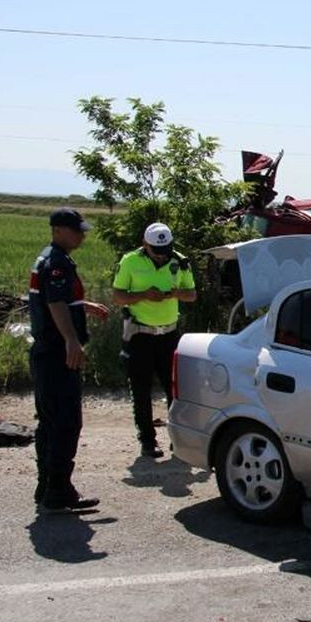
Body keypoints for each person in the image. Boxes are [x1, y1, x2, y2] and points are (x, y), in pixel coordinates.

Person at [29, 207, 110, 510]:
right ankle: (59, 491)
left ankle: (47, 486)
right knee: (65, 423)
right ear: (59, 230)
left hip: (46, 353)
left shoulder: (50, 258)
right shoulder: (57, 262)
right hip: (55, 354)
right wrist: (72, 340)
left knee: (49, 422)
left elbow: (58, 300)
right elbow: (55, 302)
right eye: (77, 230)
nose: (81, 236)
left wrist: (83, 306)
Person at [111, 222, 196, 458]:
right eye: (156, 252)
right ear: (145, 245)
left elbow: (192, 294)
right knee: (141, 389)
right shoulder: (129, 261)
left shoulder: (180, 261)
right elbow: (118, 296)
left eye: (165, 252)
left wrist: (174, 293)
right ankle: (148, 441)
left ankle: (177, 439)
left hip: (168, 334)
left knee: (174, 389)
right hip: (140, 335)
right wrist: (143, 296)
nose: (161, 257)